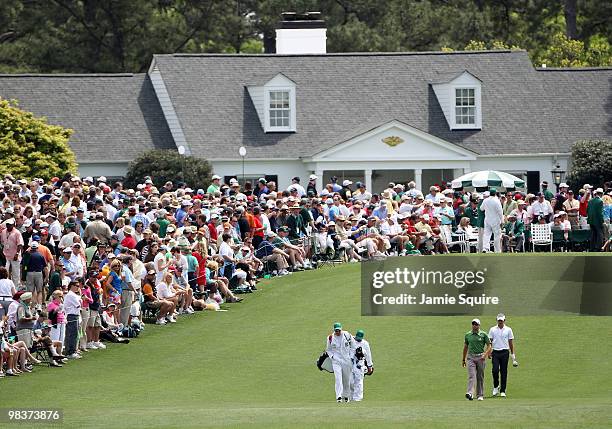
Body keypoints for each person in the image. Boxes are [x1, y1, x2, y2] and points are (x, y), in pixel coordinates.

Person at [488, 313, 517, 398]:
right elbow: (490, 342)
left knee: (504, 372)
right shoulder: (492, 329)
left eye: (501, 320)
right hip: (495, 352)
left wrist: (513, 354)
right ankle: (496, 387)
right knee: (495, 370)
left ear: (504, 320)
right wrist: (489, 352)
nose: (500, 322)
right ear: (497, 320)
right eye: (499, 320)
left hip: (505, 352)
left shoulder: (508, 330)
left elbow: (511, 343)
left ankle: (503, 390)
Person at [462, 318, 491, 401]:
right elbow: (465, 347)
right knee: (472, 375)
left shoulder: (483, 334)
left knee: (480, 376)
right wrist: (463, 359)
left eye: (476, 324)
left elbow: (489, 345)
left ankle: (480, 395)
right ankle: (470, 393)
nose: (474, 326)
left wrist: (485, 354)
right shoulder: (468, 335)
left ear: (479, 325)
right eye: (473, 324)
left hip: (481, 357)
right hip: (470, 357)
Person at [325, 322, 354, 403]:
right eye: (336, 330)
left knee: (346, 379)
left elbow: (353, 346)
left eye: (339, 330)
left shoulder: (347, 335)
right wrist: (333, 357)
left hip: (346, 360)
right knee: (338, 378)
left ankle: (346, 396)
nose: (338, 332)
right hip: (336, 361)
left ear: (341, 329)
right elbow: (328, 350)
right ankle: (339, 396)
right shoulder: (330, 337)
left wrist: (351, 357)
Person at [351, 329, 373, 402]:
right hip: (350, 363)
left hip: (360, 364)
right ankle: (350, 397)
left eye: (360, 338)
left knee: (359, 382)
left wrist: (370, 366)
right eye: (358, 337)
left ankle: (358, 399)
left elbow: (368, 356)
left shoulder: (365, 344)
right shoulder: (351, 340)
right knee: (350, 381)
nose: (359, 339)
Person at [480, 188, 503, 253]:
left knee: (486, 235)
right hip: (495, 220)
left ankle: (485, 248)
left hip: (487, 220)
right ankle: (497, 250)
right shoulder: (497, 201)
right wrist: (502, 221)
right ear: (495, 193)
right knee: (497, 236)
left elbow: (481, 208)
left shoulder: (485, 200)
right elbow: (500, 212)